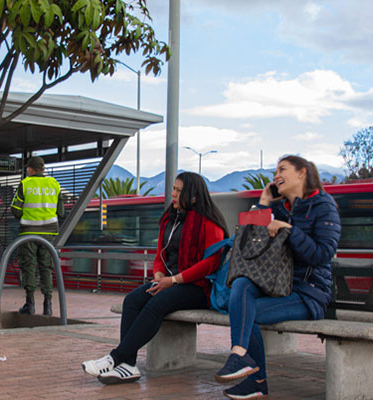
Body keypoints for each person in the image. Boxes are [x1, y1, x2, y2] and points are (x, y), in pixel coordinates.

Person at [81, 172, 228, 385]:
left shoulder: (209, 223)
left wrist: (174, 280)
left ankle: (115, 358)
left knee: (157, 304)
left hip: (198, 287)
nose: (173, 194)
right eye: (174, 189)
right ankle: (129, 365)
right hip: (169, 281)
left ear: (193, 196)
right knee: (132, 301)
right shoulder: (169, 218)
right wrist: (158, 275)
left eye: (178, 190)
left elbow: (211, 263)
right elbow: (160, 252)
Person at [213, 155, 340, 399]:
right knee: (241, 284)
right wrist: (263, 204)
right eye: (274, 172)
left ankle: (255, 380)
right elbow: (250, 245)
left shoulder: (323, 205)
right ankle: (240, 355)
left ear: (302, 173)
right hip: (275, 283)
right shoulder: (279, 207)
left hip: (308, 292)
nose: (276, 176)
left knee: (246, 312)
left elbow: (322, 255)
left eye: (282, 170)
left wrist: (289, 230)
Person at [11, 156, 64, 316]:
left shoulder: (25, 184)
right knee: (46, 268)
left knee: (28, 266)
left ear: (31, 169)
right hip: (49, 233)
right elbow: (60, 212)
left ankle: (30, 304)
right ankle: (48, 306)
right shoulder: (54, 184)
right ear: (43, 169)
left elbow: (15, 209)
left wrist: (26, 216)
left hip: (29, 232)